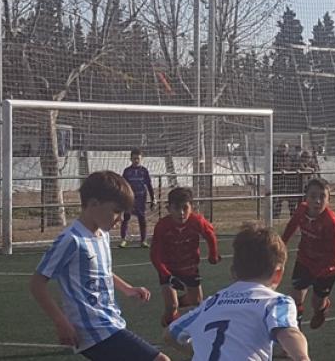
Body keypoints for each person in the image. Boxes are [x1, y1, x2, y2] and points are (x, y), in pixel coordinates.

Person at [29, 171, 167, 361]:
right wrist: (61, 322)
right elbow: (37, 283)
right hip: (94, 329)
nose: (119, 218)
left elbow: (103, 272)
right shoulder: (71, 239)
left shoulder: (102, 235)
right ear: (93, 204)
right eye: (116, 211)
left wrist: (127, 289)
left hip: (110, 321)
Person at [167, 222, 310, 361]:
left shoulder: (211, 302)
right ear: (278, 274)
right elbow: (288, 333)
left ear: (233, 272)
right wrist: (302, 357)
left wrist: (198, 351)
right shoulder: (275, 302)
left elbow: (170, 333)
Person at [150, 187, 222, 326]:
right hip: (168, 268)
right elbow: (155, 255)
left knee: (196, 302)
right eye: (176, 208)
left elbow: (210, 235)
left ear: (192, 207)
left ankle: (175, 303)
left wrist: (213, 255)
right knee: (171, 308)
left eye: (185, 208)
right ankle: (169, 322)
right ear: (168, 208)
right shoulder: (162, 226)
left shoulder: (197, 221)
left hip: (189, 266)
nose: (181, 213)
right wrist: (167, 274)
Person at [282, 178, 335, 329]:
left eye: (322, 196)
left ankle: (322, 309)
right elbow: (291, 226)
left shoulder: (331, 222)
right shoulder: (302, 209)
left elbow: (332, 254)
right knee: (295, 298)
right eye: (313, 196)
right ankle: (296, 333)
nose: (317, 201)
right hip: (305, 260)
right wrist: (281, 245)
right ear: (306, 197)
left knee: (317, 302)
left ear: (329, 200)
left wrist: (316, 272)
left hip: (327, 267)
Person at [120, 148, 155, 248]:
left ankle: (143, 240)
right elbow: (123, 186)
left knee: (142, 218)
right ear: (130, 159)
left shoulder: (144, 171)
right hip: (129, 199)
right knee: (126, 218)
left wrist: (153, 198)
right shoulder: (127, 171)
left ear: (141, 159)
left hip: (141, 199)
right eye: (134, 158)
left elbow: (149, 185)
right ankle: (123, 239)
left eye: (138, 159)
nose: (136, 161)